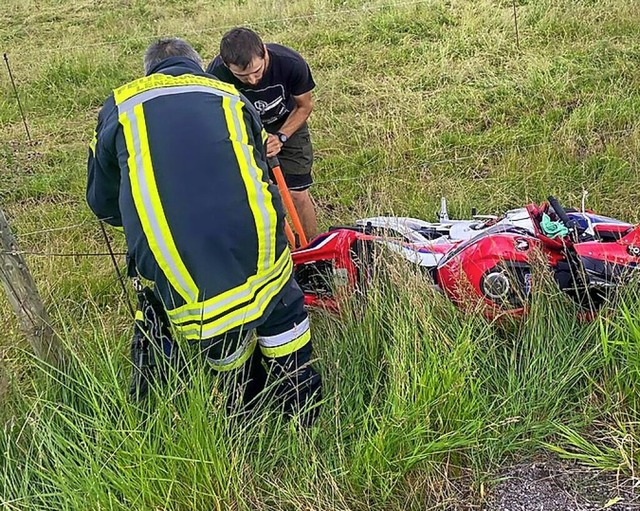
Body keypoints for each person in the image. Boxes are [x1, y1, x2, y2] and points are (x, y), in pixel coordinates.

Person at [86, 37, 321, 424]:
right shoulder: (228, 96)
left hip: (175, 252)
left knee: (214, 321)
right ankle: (301, 401)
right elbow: (256, 163)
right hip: (255, 231)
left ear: (150, 73)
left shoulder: (122, 105)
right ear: (199, 64)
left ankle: (243, 404)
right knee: (278, 304)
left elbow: (102, 201)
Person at [206, 27, 318, 240]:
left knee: (297, 193)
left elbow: (304, 106)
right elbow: (215, 117)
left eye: (257, 72)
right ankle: (284, 250)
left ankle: (313, 252)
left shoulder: (290, 63)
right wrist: (251, 141)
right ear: (225, 64)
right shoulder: (215, 76)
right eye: (242, 76)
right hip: (244, 130)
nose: (252, 81)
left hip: (287, 122)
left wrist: (281, 137)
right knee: (265, 196)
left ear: (264, 53)